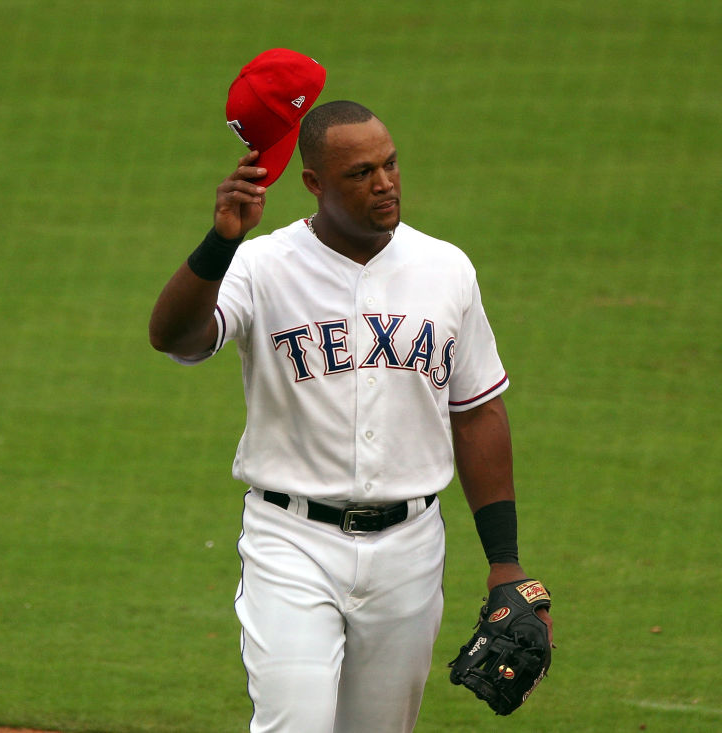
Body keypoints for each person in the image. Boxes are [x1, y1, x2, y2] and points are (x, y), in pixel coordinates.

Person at [148, 99, 552, 732]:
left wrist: (506, 561)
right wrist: (221, 240)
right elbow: (175, 337)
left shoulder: (446, 268)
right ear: (314, 183)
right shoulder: (261, 266)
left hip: (409, 551)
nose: (385, 183)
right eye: (360, 173)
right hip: (292, 543)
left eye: (390, 165)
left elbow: (476, 412)